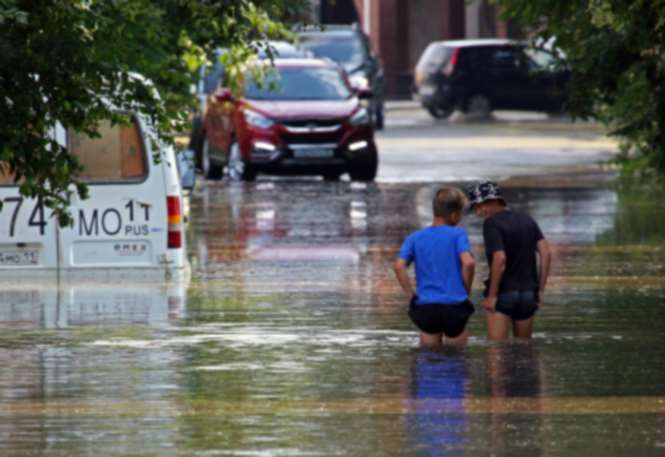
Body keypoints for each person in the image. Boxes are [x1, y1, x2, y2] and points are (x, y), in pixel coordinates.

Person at [467, 181, 552, 340]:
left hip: (504, 294)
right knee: (524, 351)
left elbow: (500, 258)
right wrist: (540, 290)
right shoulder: (527, 219)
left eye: (480, 206)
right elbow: (546, 253)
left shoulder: (491, 224)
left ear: (493, 201)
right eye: (476, 209)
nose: (478, 212)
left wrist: (492, 296)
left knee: (497, 351)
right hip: (528, 294)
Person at [393, 186, 476, 346]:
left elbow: (398, 266)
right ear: (454, 214)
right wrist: (465, 290)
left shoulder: (415, 237)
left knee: (429, 360)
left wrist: (410, 294)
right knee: (457, 359)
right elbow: (469, 263)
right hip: (454, 306)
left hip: (426, 307)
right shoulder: (458, 234)